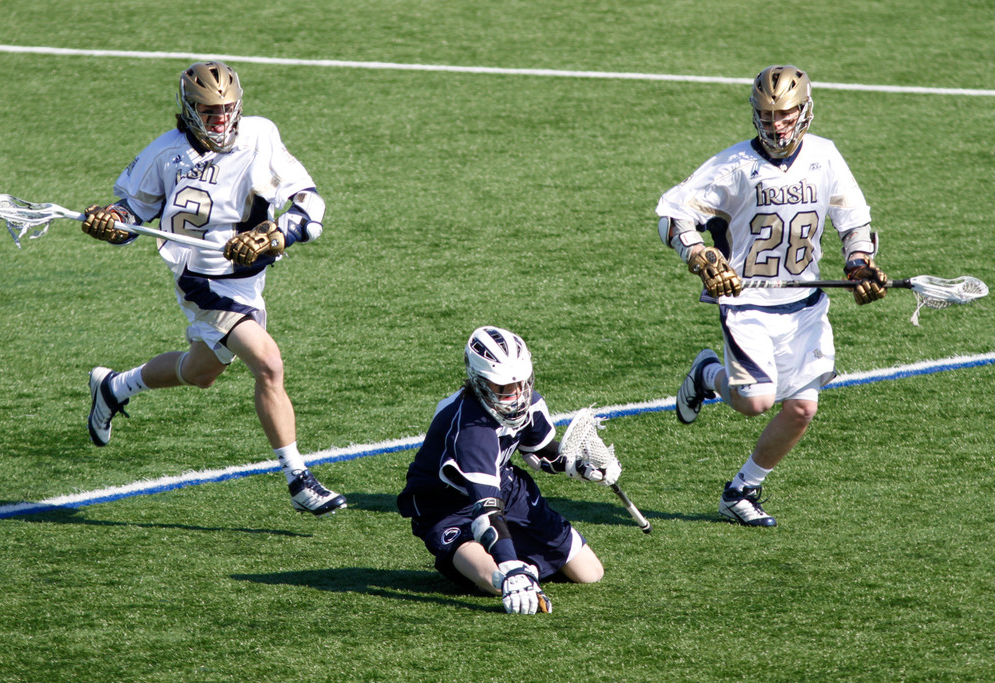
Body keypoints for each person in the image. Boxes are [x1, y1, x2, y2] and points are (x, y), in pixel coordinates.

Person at [81, 61, 346, 517]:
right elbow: (132, 214)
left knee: (202, 371)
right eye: (208, 111)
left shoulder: (261, 135)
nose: (220, 119)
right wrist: (112, 223)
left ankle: (113, 387)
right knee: (268, 363)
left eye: (226, 109)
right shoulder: (164, 153)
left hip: (248, 281)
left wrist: (279, 234)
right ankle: (298, 479)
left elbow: (310, 200)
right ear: (187, 109)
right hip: (200, 279)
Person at [655, 65, 888, 527]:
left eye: (786, 114)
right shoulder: (734, 165)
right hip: (747, 302)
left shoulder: (824, 156)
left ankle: (741, 490)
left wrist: (859, 263)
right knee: (755, 401)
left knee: (802, 407)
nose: (776, 124)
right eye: (766, 115)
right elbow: (671, 214)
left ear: (805, 111)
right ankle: (708, 374)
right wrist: (700, 256)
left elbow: (853, 218)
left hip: (803, 303)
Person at [397, 326, 615, 614]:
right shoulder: (471, 429)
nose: (516, 395)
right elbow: (486, 510)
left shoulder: (530, 402)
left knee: (590, 572)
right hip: (446, 508)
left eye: (521, 383)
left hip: (507, 489)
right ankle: (503, 560)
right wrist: (511, 570)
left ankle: (521, 558)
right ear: (478, 381)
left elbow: (538, 452)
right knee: (497, 581)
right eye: (502, 387)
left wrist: (579, 466)